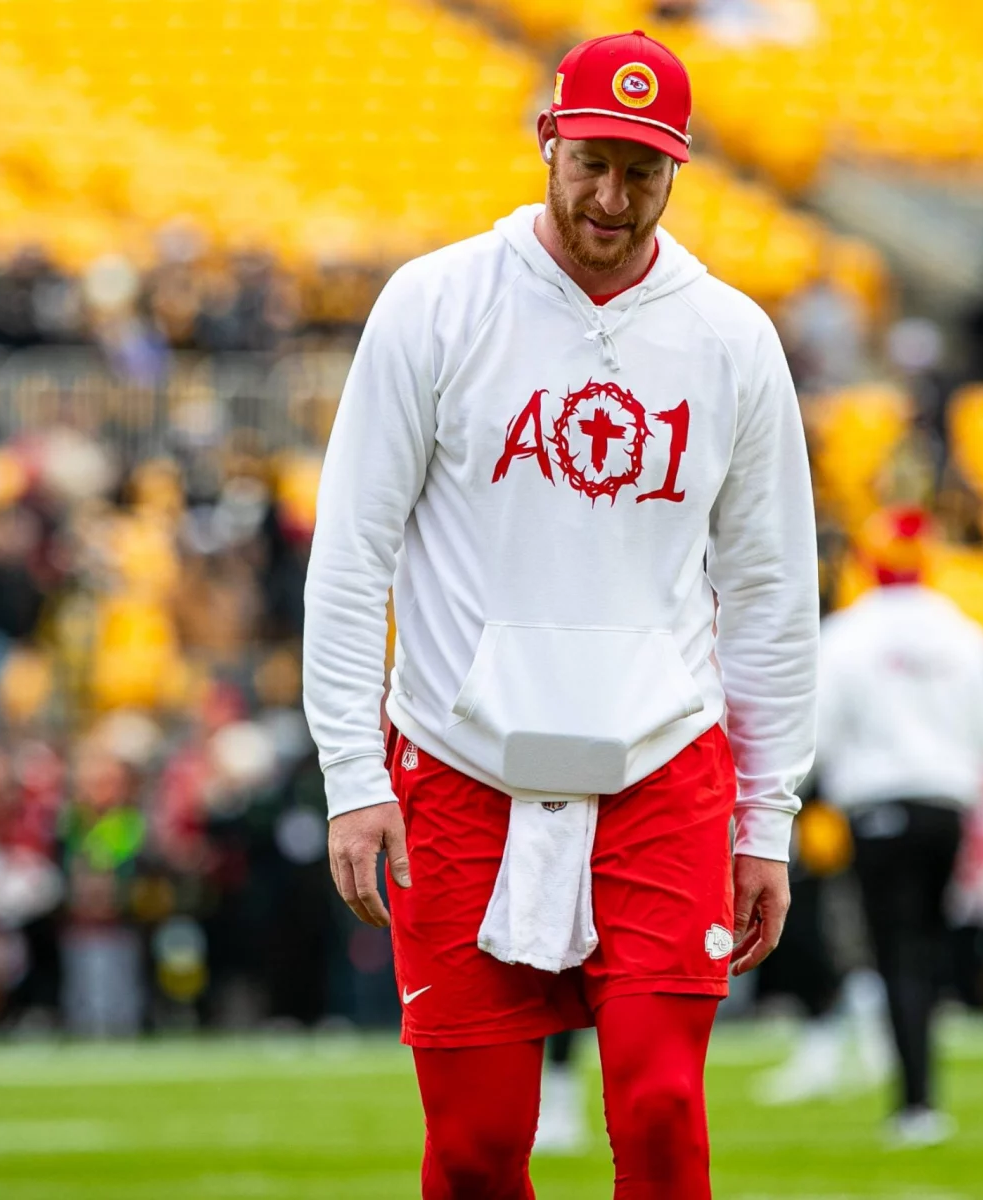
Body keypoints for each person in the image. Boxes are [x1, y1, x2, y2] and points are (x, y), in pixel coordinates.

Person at [303, 30, 818, 1198]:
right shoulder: (435, 303)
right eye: (592, 162)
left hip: (664, 766)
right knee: (477, 1148)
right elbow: (352, 553)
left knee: (661, 1107)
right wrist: (351, 775)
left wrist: (767, 816)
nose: (611, 198)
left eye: (642, 171)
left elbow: (773, 589)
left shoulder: (733, 337)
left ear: (678, 169)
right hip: (456, 764)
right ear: (547, 142)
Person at [810, 508, 983, 1147]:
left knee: (894, 951)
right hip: (948, 803)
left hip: (876, 803)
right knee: (925, 948)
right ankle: (921, 1094)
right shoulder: (965, 634)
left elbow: (817, 730)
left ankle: (915, 1103)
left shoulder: (847, 634)